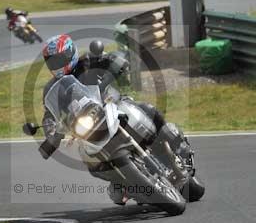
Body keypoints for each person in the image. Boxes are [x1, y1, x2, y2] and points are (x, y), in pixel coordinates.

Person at [39, 34, 169, 205]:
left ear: (70, 53)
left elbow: (114, 58)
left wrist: (117, 63)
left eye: (60, 59)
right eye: (52, 61)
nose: (57, 64)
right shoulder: (52, 88)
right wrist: (51, 133)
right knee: (92, 165)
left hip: (113, 105)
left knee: (149, 110)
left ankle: (169, 143)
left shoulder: (88, 62)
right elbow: (49, 114)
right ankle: (126, 183)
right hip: (87, 128)